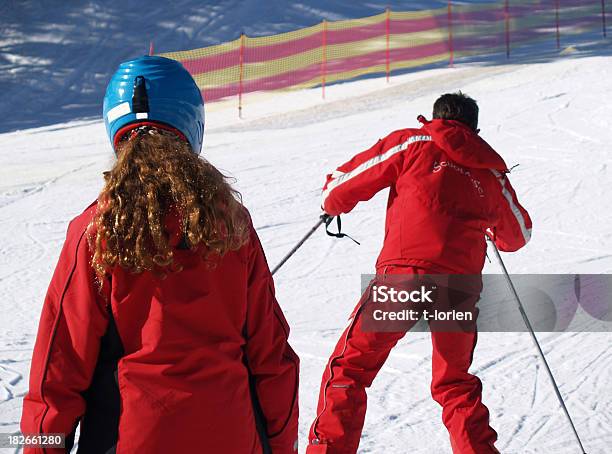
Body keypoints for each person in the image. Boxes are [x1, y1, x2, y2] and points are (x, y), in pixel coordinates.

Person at [21, 56, 299, 454]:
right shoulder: (232, 226)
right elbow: (273, 356)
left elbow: (57, 366)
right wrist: (280, 444)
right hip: (231, 436)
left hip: (132, 438)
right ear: (192, 123)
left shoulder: (97, 229)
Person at [306, 92, 532, 454]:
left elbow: (342, 186)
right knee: (454, 384)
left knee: (350, 371)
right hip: (457, 290)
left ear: (434, 118)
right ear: (475, 129)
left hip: (404, 277)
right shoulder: (489, 172)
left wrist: (332, 203)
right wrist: (489, 225)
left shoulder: (413, 141)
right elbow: (518, 234)